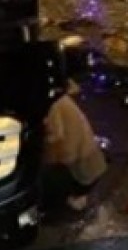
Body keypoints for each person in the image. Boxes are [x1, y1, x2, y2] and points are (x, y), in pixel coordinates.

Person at [42, 83, 107, 214]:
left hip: (79, 173)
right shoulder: (55, 96)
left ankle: (68, 200)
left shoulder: (49, 103)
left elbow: (54, 142)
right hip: (88, 166)